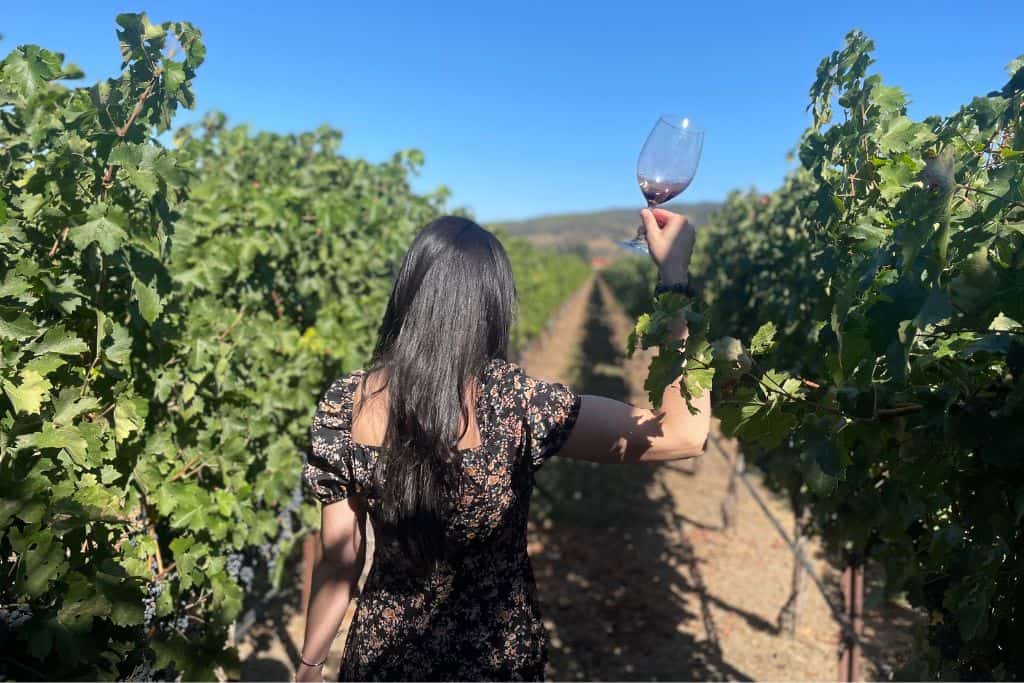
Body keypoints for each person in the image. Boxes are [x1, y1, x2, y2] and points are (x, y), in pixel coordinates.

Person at [297, 208, 710, 682]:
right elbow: (684, 434)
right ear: (494, 306)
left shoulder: (345, 404)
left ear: (408, 295)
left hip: (385, 659)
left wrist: (310, 665)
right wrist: (674, 280)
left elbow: (340, 557)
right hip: (496, 659)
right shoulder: (520, 405)